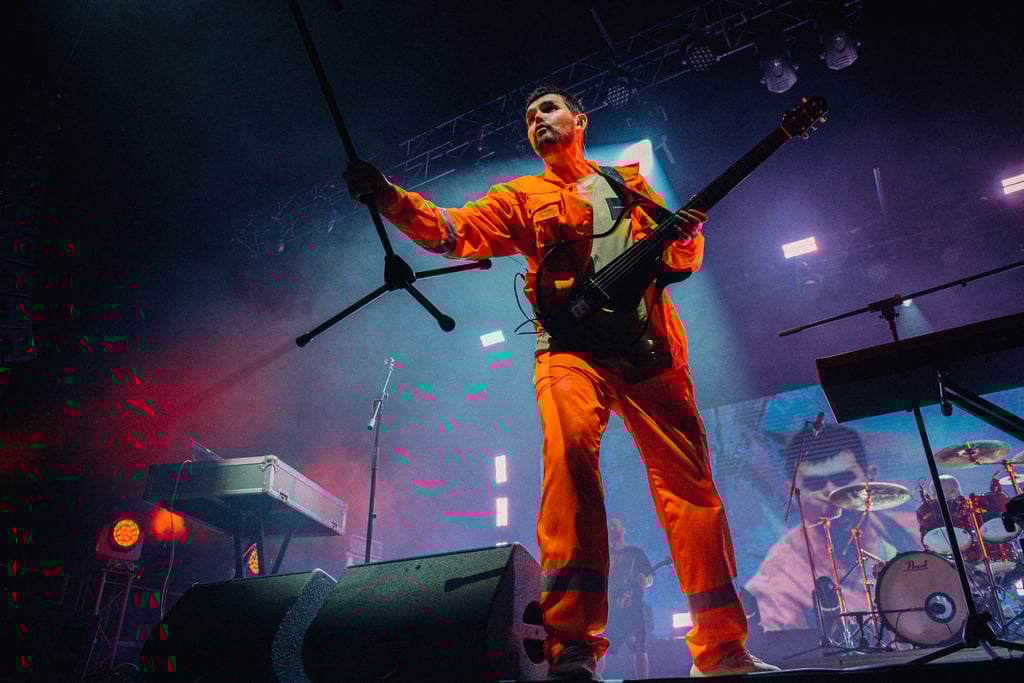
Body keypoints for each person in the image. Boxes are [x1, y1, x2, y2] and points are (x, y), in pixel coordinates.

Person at [344, 84, 778, 680]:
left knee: (693, 493)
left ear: (580, 121)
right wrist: (391, 198)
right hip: (569, 353)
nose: (537, 121)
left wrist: (684, 238)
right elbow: (453, 231)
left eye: (548, 110)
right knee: (569, 464)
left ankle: (722, 649)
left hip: (651, 352)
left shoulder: (631, 185)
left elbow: (679, 260)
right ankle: (572, 645)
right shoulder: (520, 196)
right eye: (529, 118)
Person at [744, 424, 918, 633]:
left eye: (843, 479)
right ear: (792, 493)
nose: (832, 494)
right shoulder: (778, 583)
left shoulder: (917, 531)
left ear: (871, 477)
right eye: (815, 484)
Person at [599, 518, 654, 678]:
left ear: (623, 529)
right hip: (609, 611)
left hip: (633, 610)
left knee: (639, 647)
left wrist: (646, 581)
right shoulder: (603, 554)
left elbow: (650, 576)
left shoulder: (636, 553)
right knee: (600, 647)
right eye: (608, 526)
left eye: (614, 525)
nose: (611, 528)